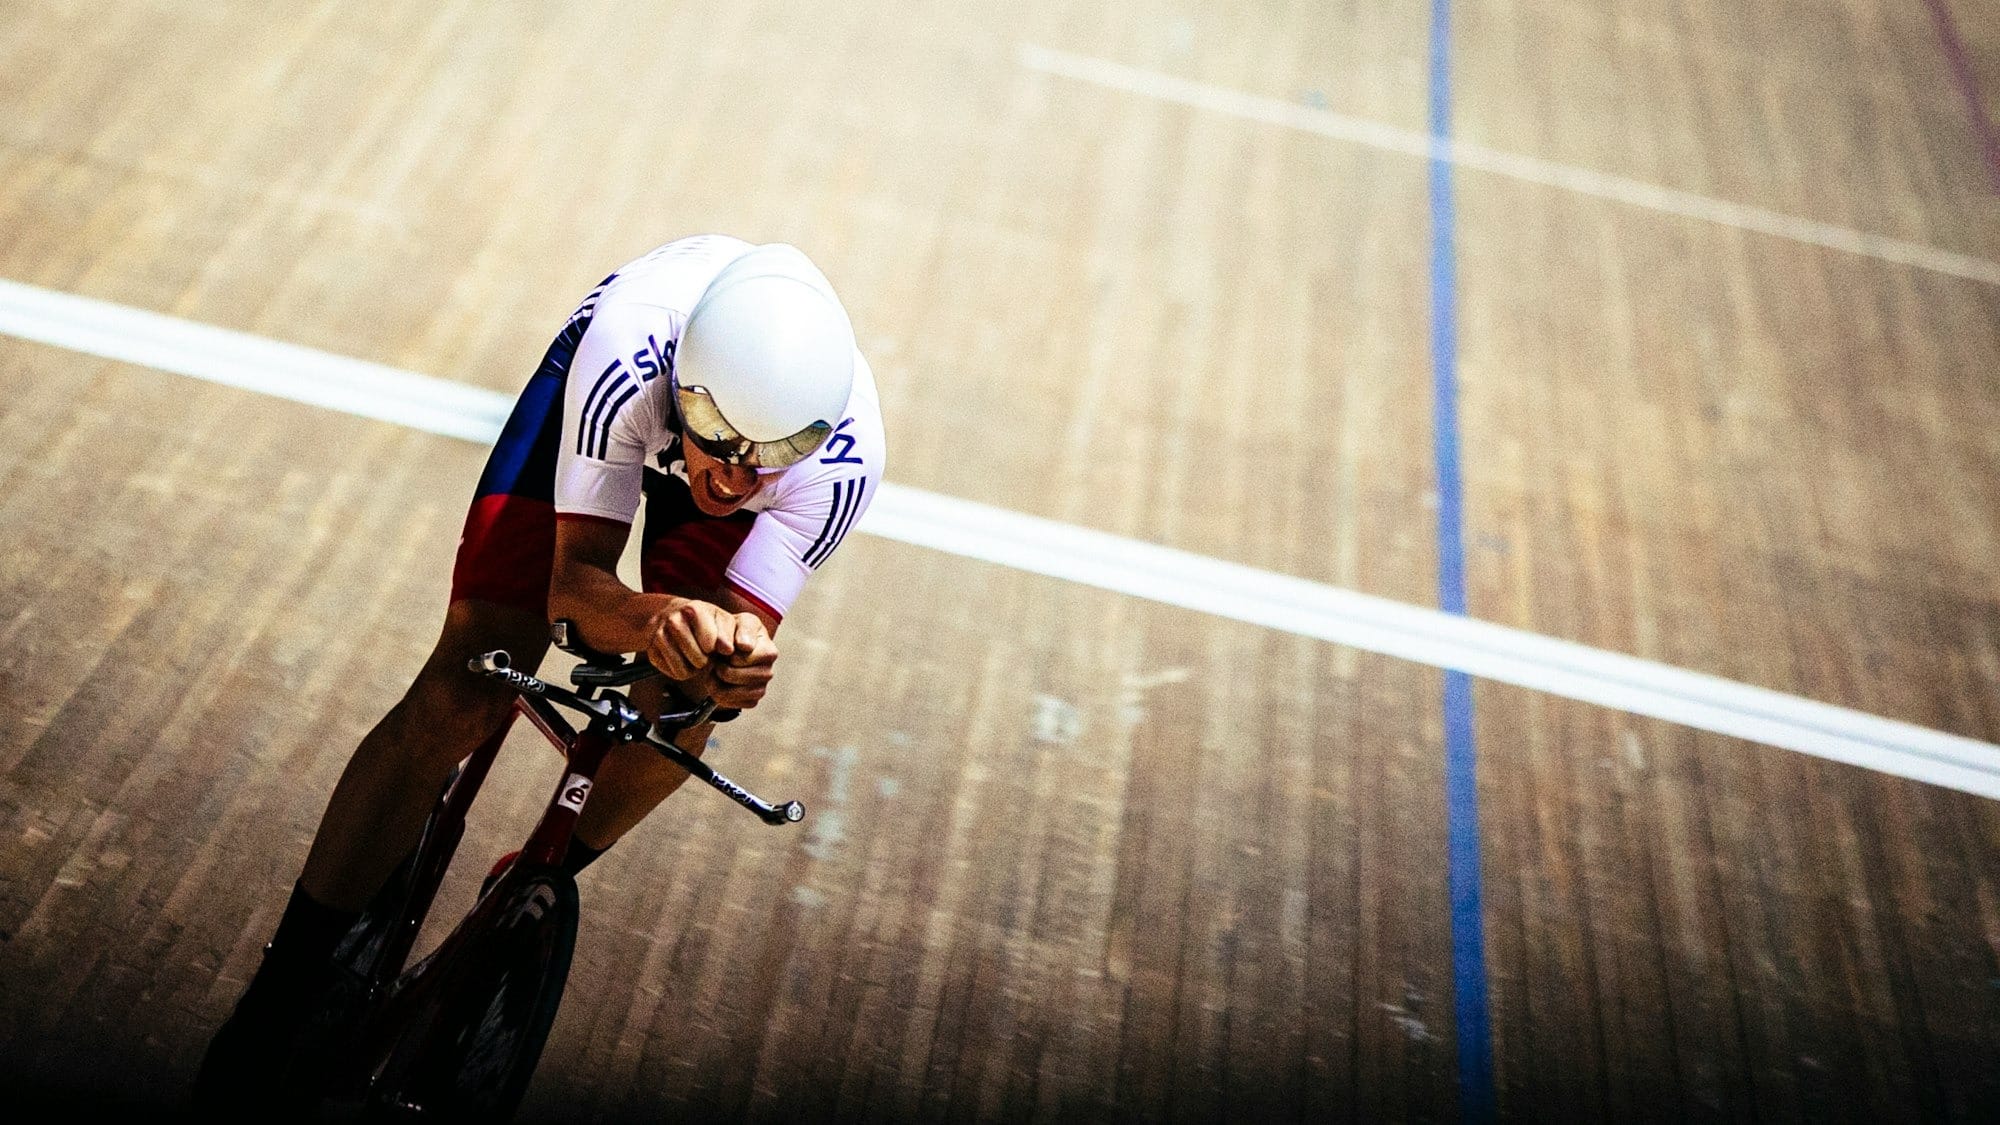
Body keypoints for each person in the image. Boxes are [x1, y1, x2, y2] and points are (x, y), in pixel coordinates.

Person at [193, 234, 885, 1103]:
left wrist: (728, 664)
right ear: (686, 386)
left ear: (813, 438)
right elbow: (573, 588)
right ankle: (280, 993)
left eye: (773, 452)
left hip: (721, 424)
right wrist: (646, 614)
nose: (737, 472)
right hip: (606, 410)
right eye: (718, 435)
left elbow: (735, 634)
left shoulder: (841, 462)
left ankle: (533, 882)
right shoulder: (631, 354)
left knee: (686, 708)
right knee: (471, 681)